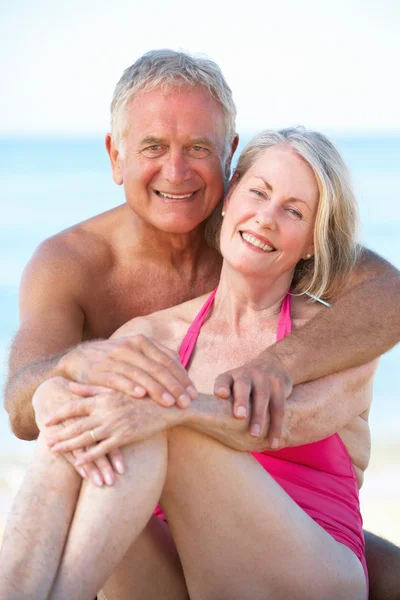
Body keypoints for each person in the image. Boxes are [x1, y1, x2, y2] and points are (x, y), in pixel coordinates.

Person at [3, 50, 400, 597]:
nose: (176, 171)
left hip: (305, 563)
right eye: (152, 148)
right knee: (86, 425)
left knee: (142, 416)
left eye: (294, 210)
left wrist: (183, 401)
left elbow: (295, 419)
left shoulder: (333, 331)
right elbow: (30, 403)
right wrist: (59, 392)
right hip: (179, 565)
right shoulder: (120, 308)